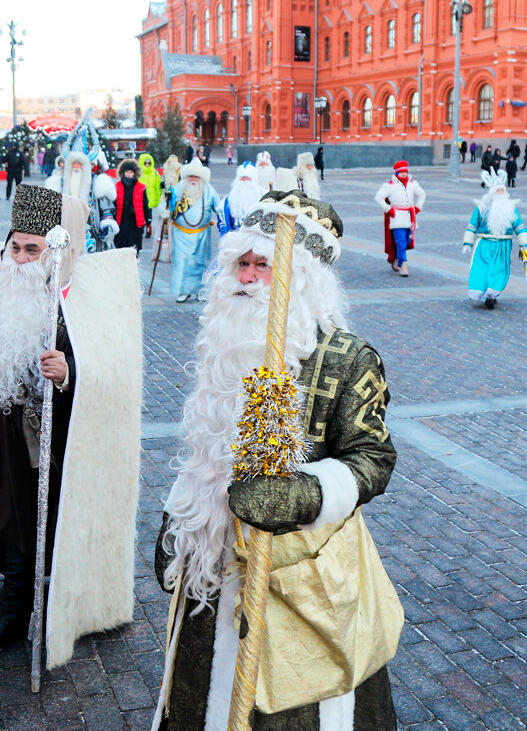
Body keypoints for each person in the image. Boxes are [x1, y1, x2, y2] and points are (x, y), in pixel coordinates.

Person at [152, 191, 400, 731]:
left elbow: (372, 458)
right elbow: (206, 454)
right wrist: (180, 521)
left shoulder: (347, 357)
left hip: (303, 577)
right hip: (214, 573)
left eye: (263, 265)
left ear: (301, 279)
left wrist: (305, 493)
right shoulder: (224, 346)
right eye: (240, 263)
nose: (245, 276)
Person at [0, 183, 141, 658]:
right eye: (15, 246)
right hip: (14, 435)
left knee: (58, 520)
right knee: (15, 521)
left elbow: (113, 371)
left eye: (32, 249)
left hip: (68, 438)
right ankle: (16, 612)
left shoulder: (84, 300)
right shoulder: (3, 287)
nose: (20, 257)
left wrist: (70, 371)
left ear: (57, 251)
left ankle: (69, 599)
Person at [463, 169, 527, 308]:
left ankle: (491, 295)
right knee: (482, 268)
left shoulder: (511, 208)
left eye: (502, 190)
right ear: (492, 192)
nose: (500, 193)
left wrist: (524, 244)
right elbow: (472, 225)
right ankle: (481, 292)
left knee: (498, 269)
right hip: (484, 244)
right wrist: (468, 242)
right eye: (497, 190)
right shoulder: (482, 208)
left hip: (503, 246)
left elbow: (519, 227)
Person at [169, 160, 220, 302]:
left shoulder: (209, 190)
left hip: (201, 236)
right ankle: (183, 291)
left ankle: (201, 291)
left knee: (201, 264)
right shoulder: (177, 189)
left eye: (196, 176)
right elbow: (168, 209)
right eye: (190, 176)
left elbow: (219, 208)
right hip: (180, 235)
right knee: (181, 264)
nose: (193, 179)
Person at [375, 160, 426, 277]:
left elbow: (422, 194)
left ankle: (397, 258)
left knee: (406, 242)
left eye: (405, 172)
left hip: (409, 217)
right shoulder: (389, 185)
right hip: (397, 217)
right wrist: (389, 209)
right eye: (401, 172)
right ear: (397, 173)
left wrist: (418, 207)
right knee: (401, 241)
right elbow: (379, 197)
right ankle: (404, 266)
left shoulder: (413, 184)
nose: (404, 174)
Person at [113, 159, 150, 253]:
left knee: (134, 248)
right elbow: (113, 205)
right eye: (127, 172)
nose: (129, 174)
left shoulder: (141, 187)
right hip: (121, 221)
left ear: (134, 173)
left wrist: (148, 220)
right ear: (123, 173)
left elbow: (145, 205)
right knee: (121, 248)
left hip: (136, 222)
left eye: (131, 172)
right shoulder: (117, 186)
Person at [218, 161, 263, 233]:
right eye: (242, 178)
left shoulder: (264, 195)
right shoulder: (227, 200)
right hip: (235, 239)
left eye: (248, 178)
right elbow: (223, 223)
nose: (245, 181)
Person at [138, 152, 163, 238]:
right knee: (140, 215)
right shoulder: (138, 173)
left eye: (149, 162)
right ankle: (140, 229)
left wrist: (159, 196)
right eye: (145, 163)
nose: (147, 164)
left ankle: (148, 228)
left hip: (151, 199)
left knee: (148, 215)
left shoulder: (155, 173)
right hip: (140, 198)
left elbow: (158, 185)